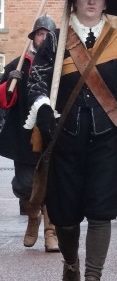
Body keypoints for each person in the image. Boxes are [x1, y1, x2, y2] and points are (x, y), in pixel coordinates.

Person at [23, 0, 117, 280]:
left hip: (107, 139)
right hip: (64, 138)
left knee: (101, 212)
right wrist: (42, 109)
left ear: (105, 3)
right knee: (65, 216)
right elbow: (37, 81)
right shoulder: (55, 39)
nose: (91, 0)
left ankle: (93, 275)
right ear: (75, 1)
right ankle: (71, 264)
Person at [0, 15, 59, 252]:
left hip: (53, 132)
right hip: (24, 136)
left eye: (48, 35)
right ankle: (33, 216)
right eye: (40, 34)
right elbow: (4, 101)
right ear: (34, 37)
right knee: (26, 185)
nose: (43, 38)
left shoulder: (61, 65)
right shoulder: (17, 64)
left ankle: (50, 231)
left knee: (53, 185)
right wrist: (8, 83)